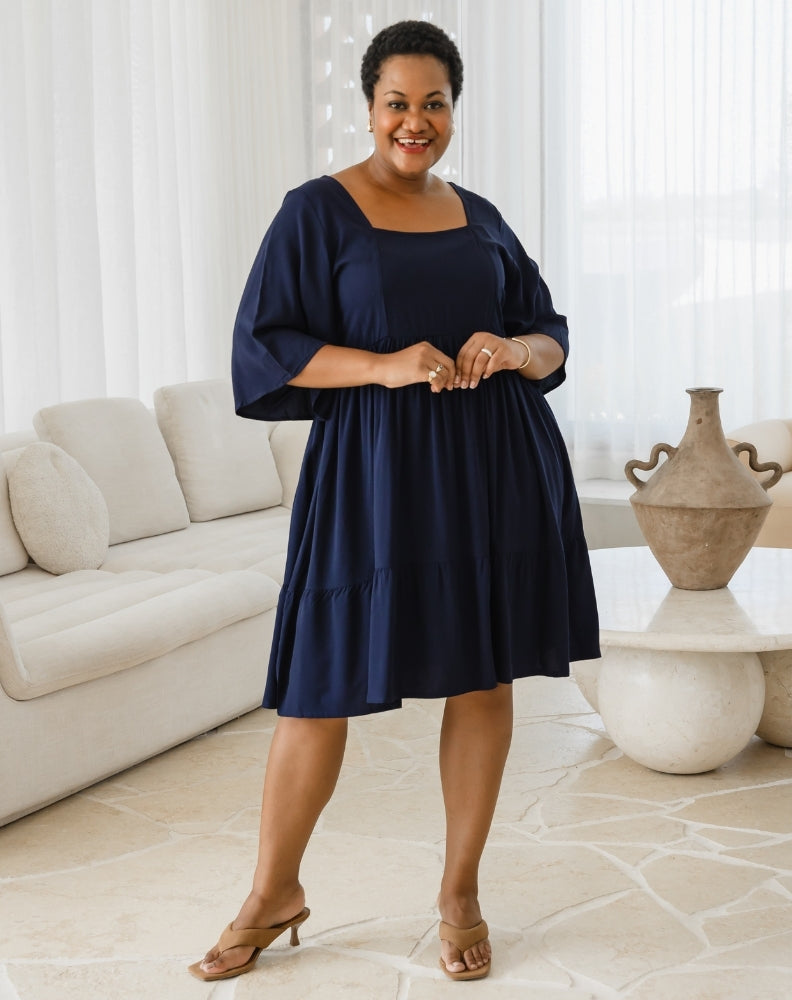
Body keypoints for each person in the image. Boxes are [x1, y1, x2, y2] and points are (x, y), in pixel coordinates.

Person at [189, 19, 600, 984]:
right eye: (398, 103)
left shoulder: (481, 216)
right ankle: (272, 892)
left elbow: (549, 332)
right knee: (317, 686)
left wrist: (514, 349)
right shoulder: (315, 212)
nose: (416, 122)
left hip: (493, 467)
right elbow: (266, 348)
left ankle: (460, 892)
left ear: (454, 109)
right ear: (369, 107)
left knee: (483, 678)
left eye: (434, 103)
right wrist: (382, 365)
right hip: (370, 475)